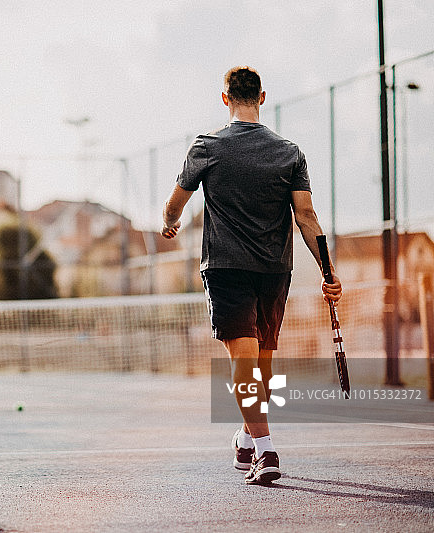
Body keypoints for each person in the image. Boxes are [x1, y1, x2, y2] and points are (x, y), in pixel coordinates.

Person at [161, 66, 342, 485]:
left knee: (244, 363)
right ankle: (248, 438)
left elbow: (175, 205)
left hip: (227, 268)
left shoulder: (207, 146)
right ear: (262, 97)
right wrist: (328, 272)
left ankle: (266, 449)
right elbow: (306, 216)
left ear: (225, 99)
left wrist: (169, 223)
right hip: (275, 270)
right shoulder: (290, 152)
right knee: (260, 365)